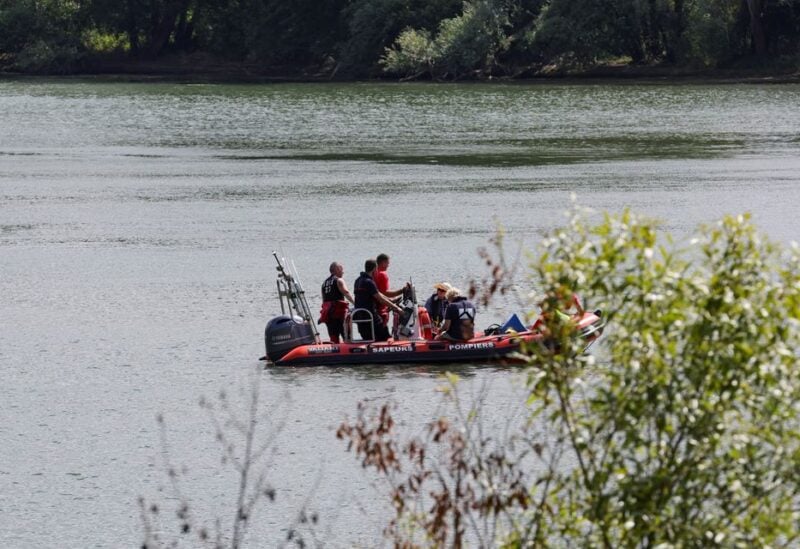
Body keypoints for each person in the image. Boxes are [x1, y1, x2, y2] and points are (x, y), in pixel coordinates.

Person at [353, 258, 403, 341]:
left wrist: (392, 301)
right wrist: (397, 309)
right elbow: (380, 299)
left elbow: (379, 294)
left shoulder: (358, 280)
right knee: (386, 336)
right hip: (370, 316)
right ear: (374, 269)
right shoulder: (369, 282)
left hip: (360, 316)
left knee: (368, 339)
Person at [319, 261, 355, 343]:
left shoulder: (324, 284)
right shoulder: (339, 280)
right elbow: (346, 293)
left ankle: (335, 351)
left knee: (333, 337)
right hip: (339, 314)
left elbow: (324, 300)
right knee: (347, 336)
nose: (343, 271)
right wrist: (356, 303)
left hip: (329, 315)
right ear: (336, 269)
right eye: (341, 269)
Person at [373, 253, 408, 324]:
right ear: (383, 263)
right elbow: (385, 293)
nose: (388, 266)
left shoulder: (373, 273)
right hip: (381, 310)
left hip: (374, 308)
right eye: (388, 263)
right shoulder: (382, 274)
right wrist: (402, 290)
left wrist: (393, 300)